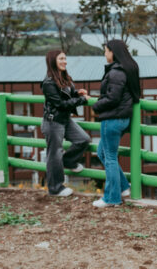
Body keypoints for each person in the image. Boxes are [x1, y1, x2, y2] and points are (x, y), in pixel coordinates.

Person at [92, 39, 141, 208]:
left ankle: (111, 198)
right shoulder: (125, 70)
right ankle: (124, 187)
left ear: (113, 52)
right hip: (121, 118)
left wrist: (95, 105)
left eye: (106, 51)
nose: (105, 54)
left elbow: (112, 98)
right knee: (102, 153)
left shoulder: (116, 72)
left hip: (112, 119)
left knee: (110, 157)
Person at [41, 50, 91, 197]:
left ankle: (68, 161)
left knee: (83, 139)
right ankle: (55, 188)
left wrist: (77, 93)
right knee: (54, 154)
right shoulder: (48, 82)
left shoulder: (64, 77)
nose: (65, 61)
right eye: (61, 58)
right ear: (53, 61)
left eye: (65, 58)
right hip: (53, 122)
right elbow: (60, 104)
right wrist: (82, 100)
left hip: (64, 120)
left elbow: (66, 95)